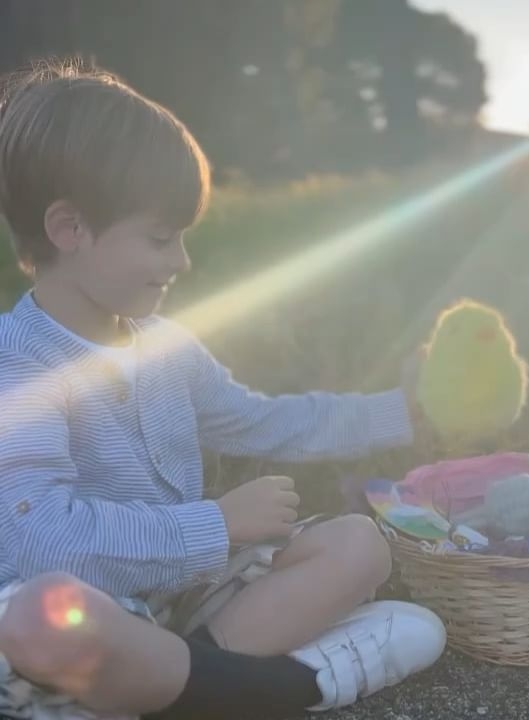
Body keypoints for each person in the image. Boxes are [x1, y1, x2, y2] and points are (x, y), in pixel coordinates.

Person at [0, 59, 446, 720]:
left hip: (183, 608)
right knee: (37, 620)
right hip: (88, 607)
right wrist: (216, 524)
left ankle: (175, 685)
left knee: (360, 545)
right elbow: (41, 541)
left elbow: (266, 422)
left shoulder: (164, 345)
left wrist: (403, 412)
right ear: (70, 230)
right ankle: (274, 689)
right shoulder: (21, 364)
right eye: (160, 239)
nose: (180, 261)